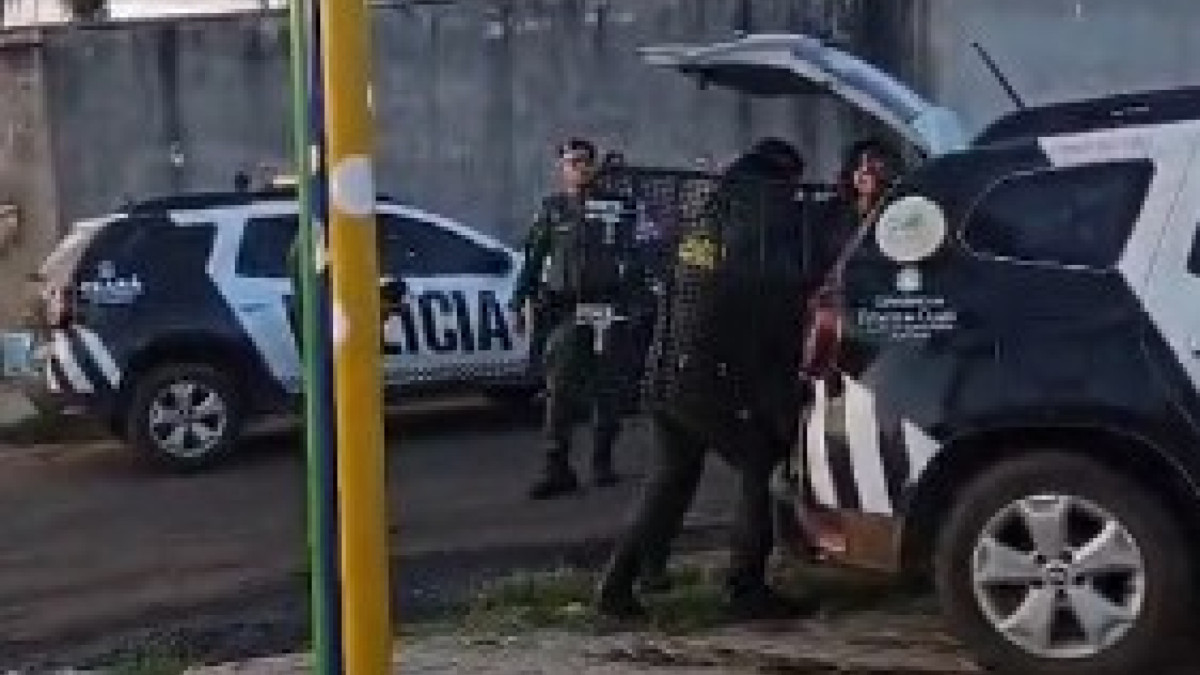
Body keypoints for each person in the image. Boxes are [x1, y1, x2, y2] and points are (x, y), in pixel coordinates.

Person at [595, 137, 819, 620]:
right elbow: (766, 317)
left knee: (669, 480)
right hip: (708, 380)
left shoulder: (706, 222)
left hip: (668, 373)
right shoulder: (756, 234)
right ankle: (745, 587)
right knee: (759, 467)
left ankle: (616, 585)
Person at [509, 138, 646, 500]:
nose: (580, 168)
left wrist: (637, 300)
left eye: (585, 161)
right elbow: (534, 259)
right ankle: (556, 466)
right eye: (572, 162)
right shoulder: (552, 210)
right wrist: (518, 301)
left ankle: (602, 461)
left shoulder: (619, 207)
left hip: (610, 306)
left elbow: (640, 253)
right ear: (562, 169)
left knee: (609, 387)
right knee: (560, 388)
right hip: (569, 308)